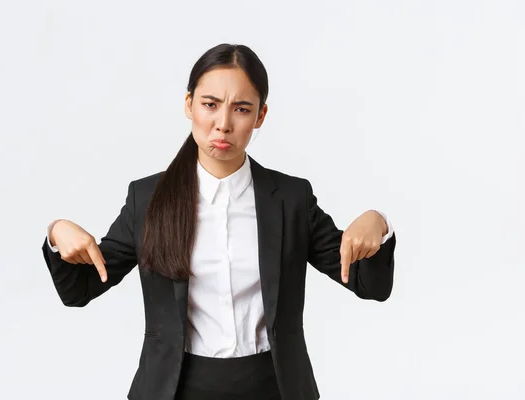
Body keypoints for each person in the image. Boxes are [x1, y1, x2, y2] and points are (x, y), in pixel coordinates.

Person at [41, 43, 396, 400]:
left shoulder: (291, 199)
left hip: (274, 388)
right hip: (175, 389)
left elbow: (370, 286)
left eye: (241, 109)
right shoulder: (148, 200)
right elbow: (81, 289)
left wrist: (378, 223)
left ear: (260, 116)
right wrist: (57, 233)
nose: (223, 124)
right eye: (210, 105)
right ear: (189, 105)